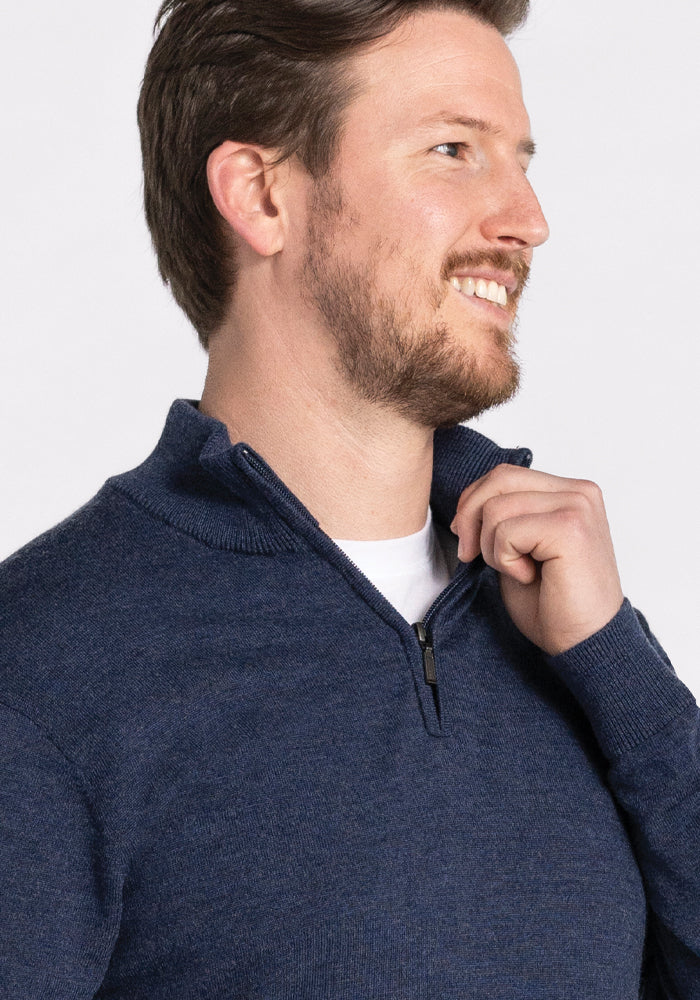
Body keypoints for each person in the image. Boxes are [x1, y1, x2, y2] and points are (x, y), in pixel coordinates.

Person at [1, 0, 698, 996]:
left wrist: (615, 668)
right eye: (454, 150)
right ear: (262, 195)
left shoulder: (570, 632)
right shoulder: (42, 673)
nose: (526, 220)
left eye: (521, 160)